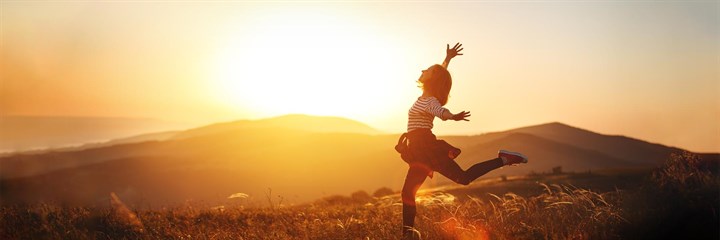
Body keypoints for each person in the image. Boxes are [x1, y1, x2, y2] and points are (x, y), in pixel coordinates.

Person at [397, 43, 529, 239]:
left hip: (426, 149)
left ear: (432, 78)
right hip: (418, 150)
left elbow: (440, 111)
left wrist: (452, 116)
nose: (423, 70)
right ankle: (408, 235)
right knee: (409, 192)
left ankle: (503, 159)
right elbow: (440, 74)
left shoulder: (430, 100)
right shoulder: (425, 96)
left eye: (428, 70)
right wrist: (447, 59)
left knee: (462, 179)